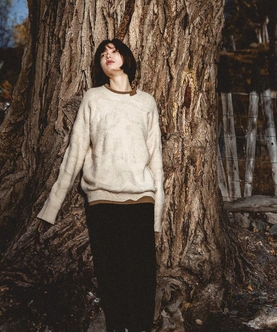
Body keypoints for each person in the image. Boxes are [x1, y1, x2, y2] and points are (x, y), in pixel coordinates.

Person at [38, 38, 164, 332]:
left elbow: (156, 160)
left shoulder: (146, 102)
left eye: (114, 51)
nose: (108, 55)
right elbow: (75, 151)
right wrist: (52, 207)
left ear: (126, 58)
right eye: (103, 53)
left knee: (143, 275)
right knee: (110, 273)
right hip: (102, 200)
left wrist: (157, 216)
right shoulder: (93, 98)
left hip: (140, 199)